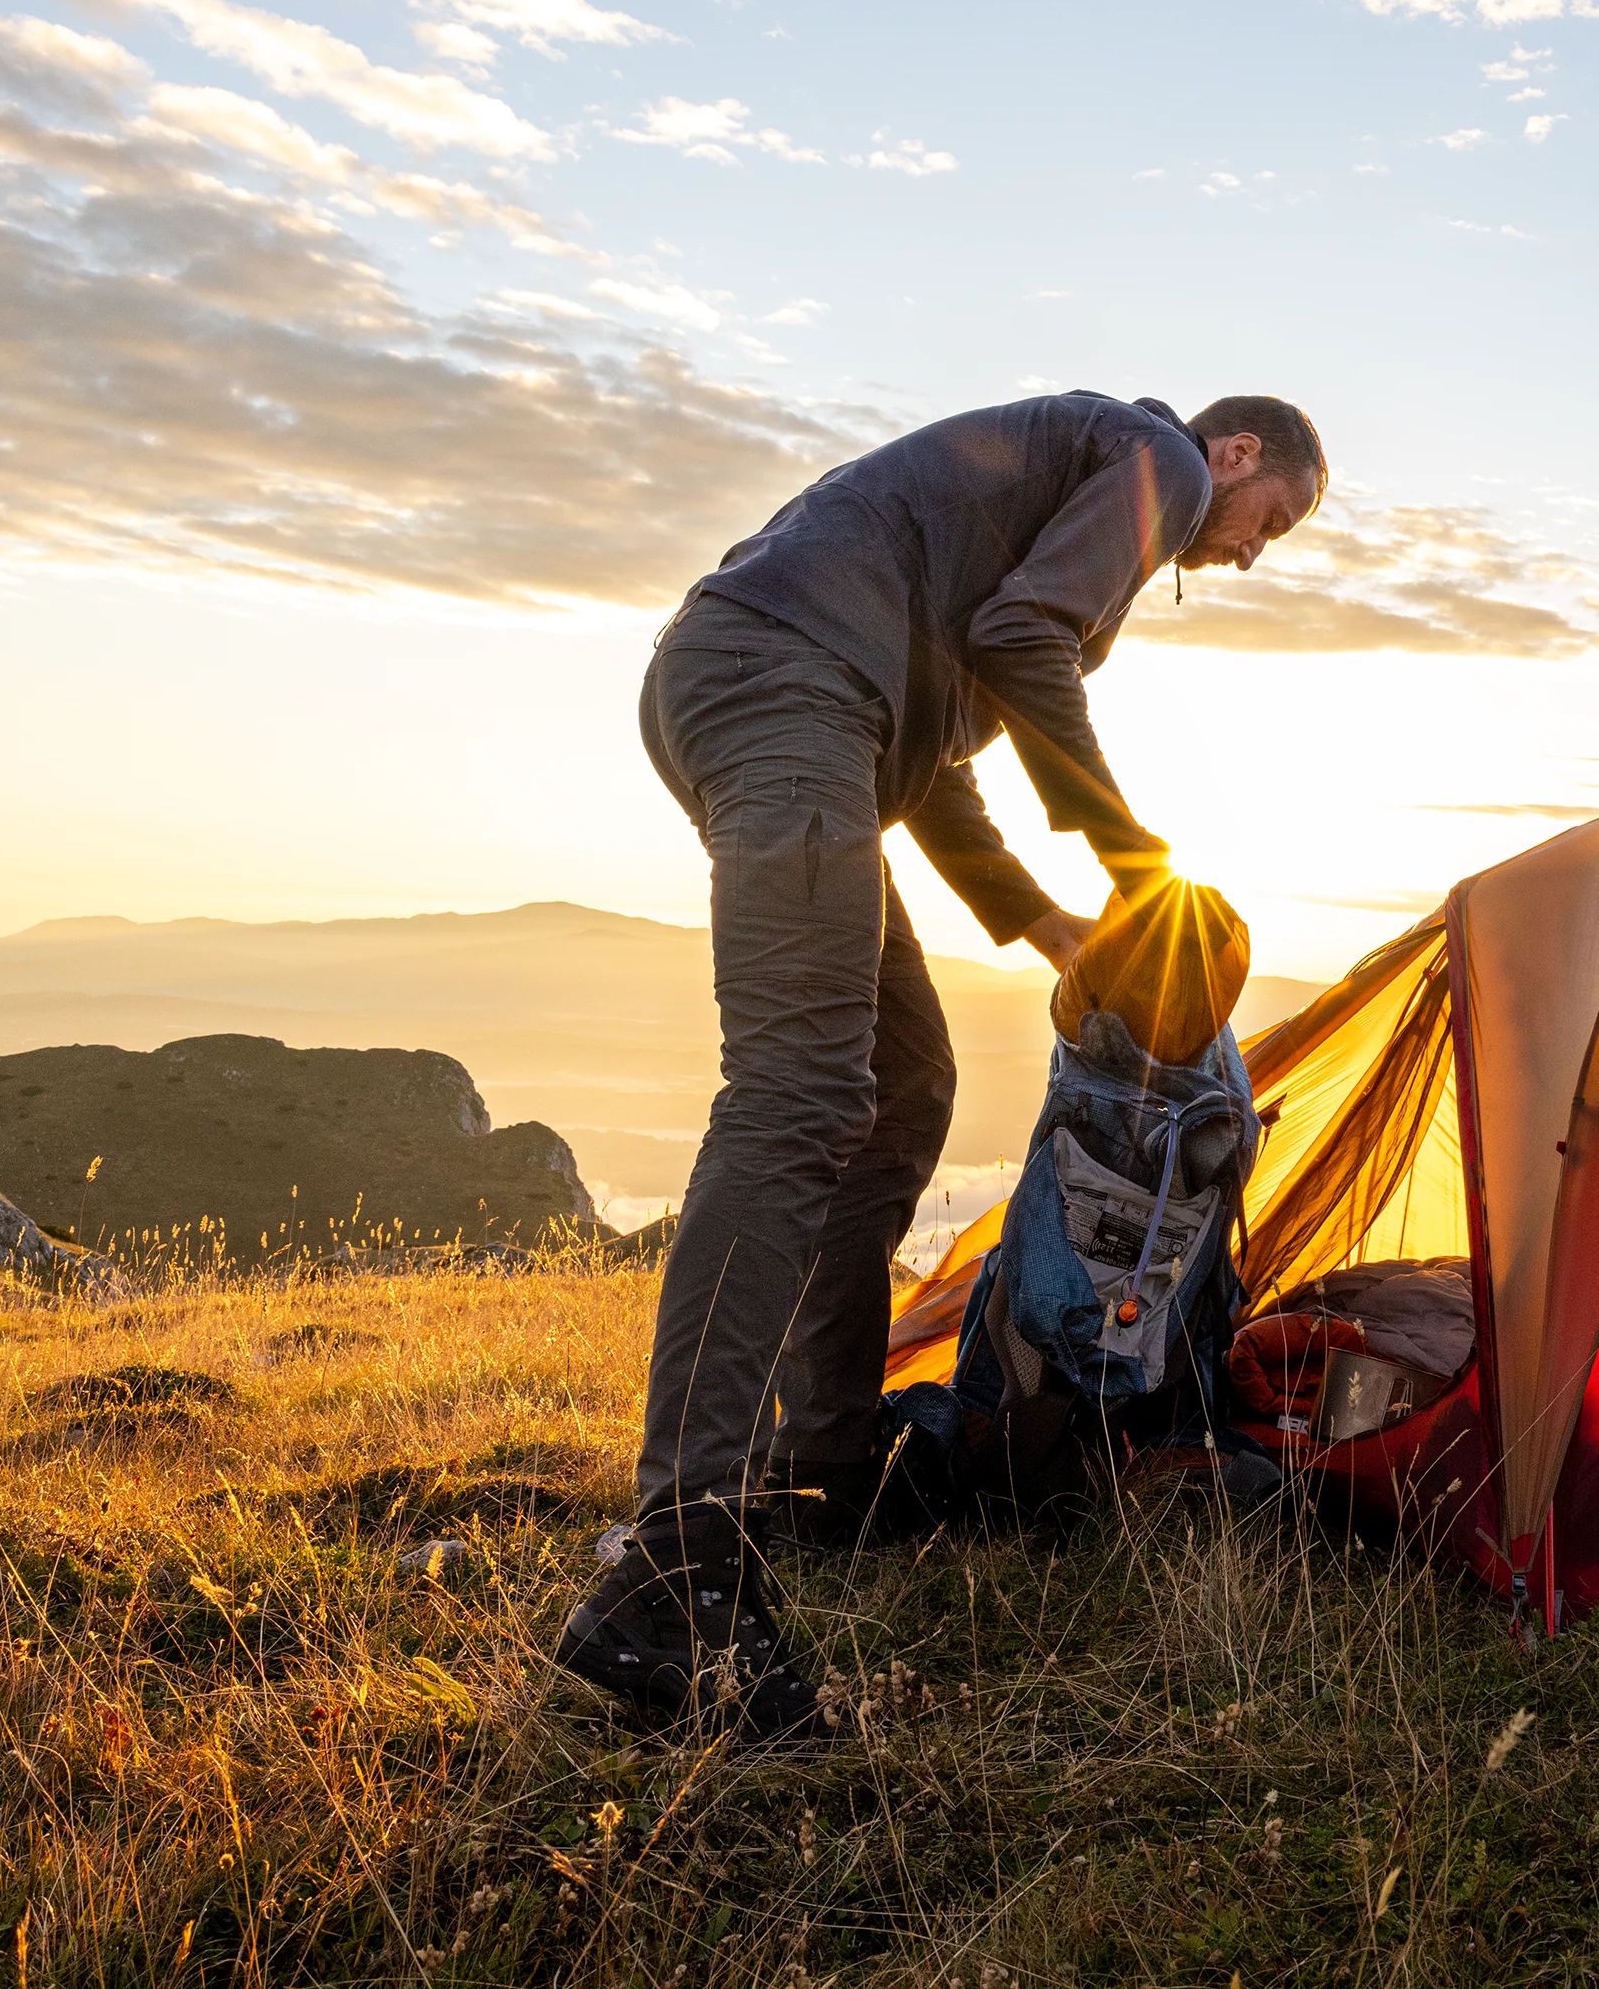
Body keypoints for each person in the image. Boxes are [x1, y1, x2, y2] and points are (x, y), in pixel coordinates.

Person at [554, 389, 1323, 1740]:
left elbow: (936, 747)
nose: (1257, 548)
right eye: (1279, 515)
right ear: (1239, 453)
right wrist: (1135, 861)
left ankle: (825, 1465)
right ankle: (674, 1564)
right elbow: (1020, 640)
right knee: (796, 1092)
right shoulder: (1150, 461)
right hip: (782, 680)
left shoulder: (1051, 501)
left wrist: (1043, 924)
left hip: (795, 695)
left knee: (903, 1083)